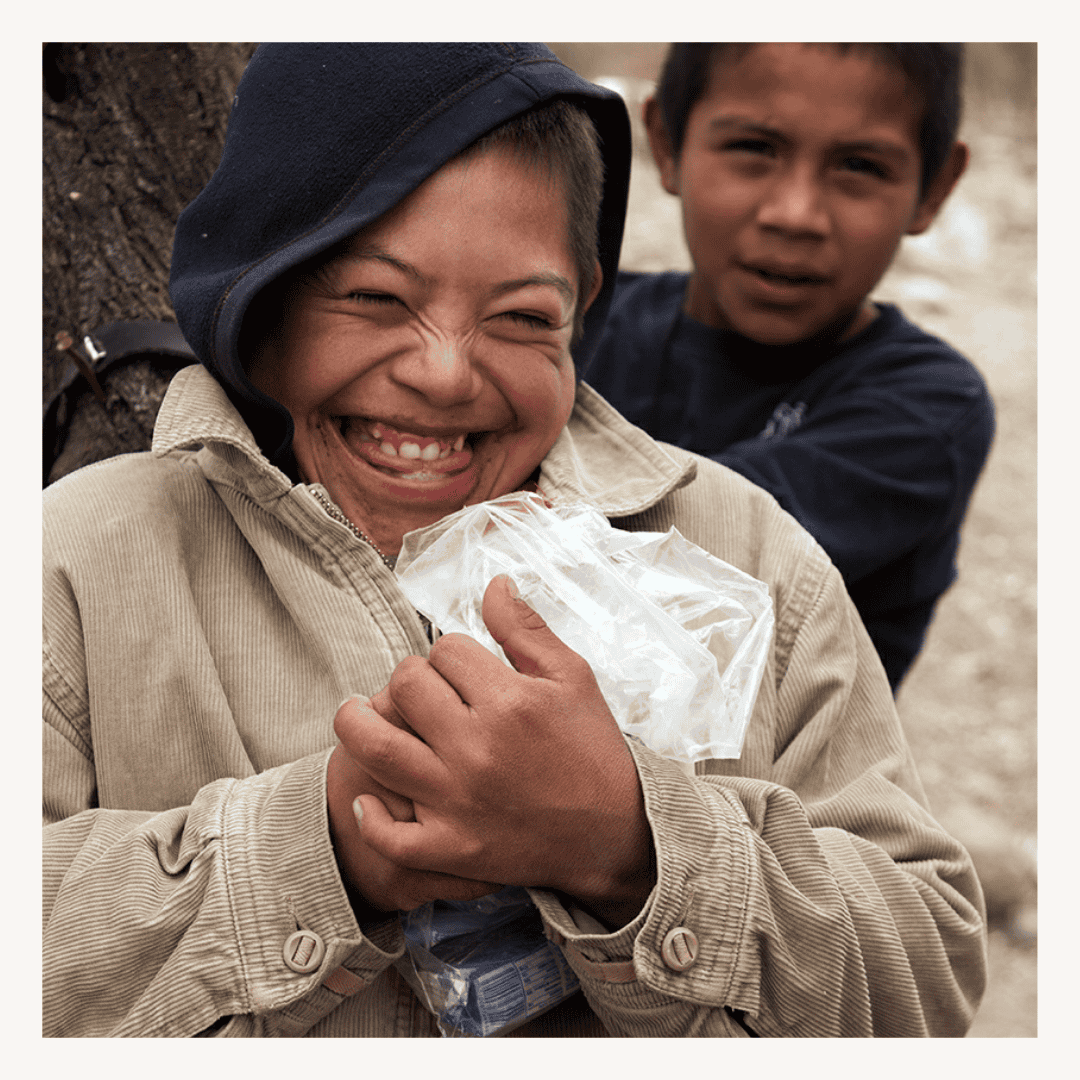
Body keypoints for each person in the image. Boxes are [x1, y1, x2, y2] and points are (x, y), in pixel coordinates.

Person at [42, 42, 986, 1038]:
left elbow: (922, 977)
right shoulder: (76, 561)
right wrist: (321, 845)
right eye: (373, 297)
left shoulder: (740, 555)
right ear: (258, 295)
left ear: (579, 307)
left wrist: (632, 844)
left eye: (522, 315)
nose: (447, 375)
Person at [584, 43, 996, 691]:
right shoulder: (575, 325)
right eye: (754, 147)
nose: (795, 214)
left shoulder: (925, 408)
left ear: (935, 185)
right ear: (666, 143)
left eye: (859, 165)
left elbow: (651, 567)